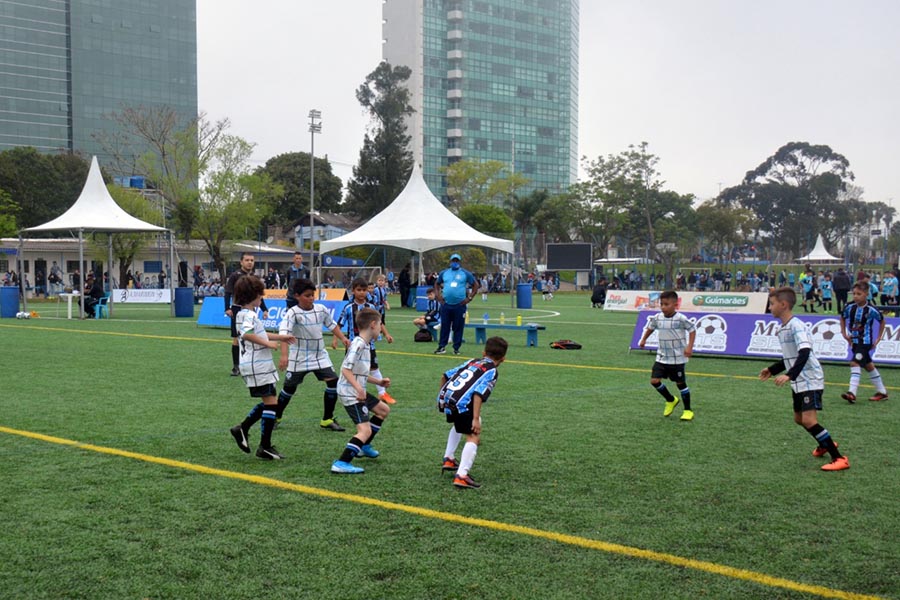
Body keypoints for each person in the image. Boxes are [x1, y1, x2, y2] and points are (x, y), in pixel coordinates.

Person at [760, 287, 849, 471]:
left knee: (809, 420)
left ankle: (839, 458)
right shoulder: (782, 328)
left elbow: (805, 352)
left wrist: (789, 374)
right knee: (799, 419)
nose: (769, 307)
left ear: (783, 305)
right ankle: (825, 443)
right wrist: (772, 369)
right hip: (799, 379)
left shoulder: (796, 325)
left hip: (810, 378)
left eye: (772, 303)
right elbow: (790, 357)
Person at [228, 275, 296, 460]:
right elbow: (247, 334)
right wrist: (269, 344)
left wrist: (280, 337)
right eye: (260, 295)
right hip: (256, 364)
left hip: (259, 364)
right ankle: (261, 444)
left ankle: (245, 431)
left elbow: (257, 332)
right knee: (271, 403)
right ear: (253, 295)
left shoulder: (246, 314)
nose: (262, 298)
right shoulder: (248, 314)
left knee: (271, 403)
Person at [276, 278, 351, 432]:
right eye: (307, 295)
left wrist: (343, 338)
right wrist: (284, 356)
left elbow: (332, 325)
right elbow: (284, 334)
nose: (311, 298)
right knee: (289, 389)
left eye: (312, 295)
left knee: (333, 383)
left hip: (319, 356)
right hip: (299, 357)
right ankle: (276, 417)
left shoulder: (321, 309)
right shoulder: (292, 313)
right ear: (297, 296)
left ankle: (327, 419)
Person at [438, 336, 508, 489]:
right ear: (503, 359)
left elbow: (445, 375)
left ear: (484, 353)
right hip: (462, 403)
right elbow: (478, 395)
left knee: (460, 424)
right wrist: (475, 418)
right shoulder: (492, 371)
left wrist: (442, 397)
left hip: (447, 398)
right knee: (473, 435)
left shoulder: (473, 361)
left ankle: (449, 458)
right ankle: (462, 476)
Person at [330, 307, 392, 474]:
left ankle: (363, 446)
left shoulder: (365, 344)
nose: (381, 328)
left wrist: (378, 381)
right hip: (350, 392)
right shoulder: (357, 344)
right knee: (364, 430)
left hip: (356, 389)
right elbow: (345, 370)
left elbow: (359, 373)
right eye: (380, 324)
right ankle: (342, 462)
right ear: (372, 325)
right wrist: (359, 389)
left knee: (383, 410)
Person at [334, 278, 396, 405]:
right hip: (352, 346)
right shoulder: (348, 308)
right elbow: (339, 325)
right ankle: (352, 391)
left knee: (374, 367)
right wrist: (337, 339)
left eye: (364, 290)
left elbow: (379, 322)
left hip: (369, 345)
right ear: (353, 291)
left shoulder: (371, 307)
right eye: (359, 290)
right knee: (351, 369)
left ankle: (382, 393)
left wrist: (386, 334)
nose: (362, 293)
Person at [638, 290, 697, 421]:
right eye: (661, 304)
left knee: (680, 384)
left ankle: (688, 410)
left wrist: (689, 347)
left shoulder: (680, 319)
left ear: (675, 304)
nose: (663, 307)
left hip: (677, 358)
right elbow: (651, 327)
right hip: (662, 357)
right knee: (654, 381)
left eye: (666, 304)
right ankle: (670, 400)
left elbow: (692, 330)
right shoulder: (658, 318)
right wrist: (643, 339)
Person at [840, 282, 888, 403]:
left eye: (859, 294)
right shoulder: (850, 307)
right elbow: (842, 317)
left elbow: (882, 322)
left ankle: (852, 393)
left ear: (866, 294)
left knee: (854, 363)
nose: (855, 296)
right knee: (869, 366)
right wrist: (844, 333)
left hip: (865, 342)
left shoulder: (871, 310)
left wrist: (879, 338)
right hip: (854, 342)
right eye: (854, 293)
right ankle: (882, 392)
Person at [224, 253, 268, 376]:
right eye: (247, 260)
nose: (250, 262)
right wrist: (227, 308)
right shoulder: (235, 276)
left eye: (252, 260)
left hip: (251, 310)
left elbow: (259, 295)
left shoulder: (254, 277)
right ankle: (236, 366)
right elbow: (227, 292)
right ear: (241, 262)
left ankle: (250, 363)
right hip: (237, 309)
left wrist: (264, 309)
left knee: (251, 336)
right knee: (237, 338)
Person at [434, 253, 479, 356]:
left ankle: (456, 348)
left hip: (459, 305)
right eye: (453, 261)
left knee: (458, 327)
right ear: (450, 262)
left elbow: (475, 285)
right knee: (445, 325)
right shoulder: (444, 273)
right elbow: (437, 283)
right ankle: (442, 347)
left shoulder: (465, 273)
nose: (455, 263)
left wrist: (469, 298)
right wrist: (438, 295)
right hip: (446, 304)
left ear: (459, 262)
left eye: (457, 261)